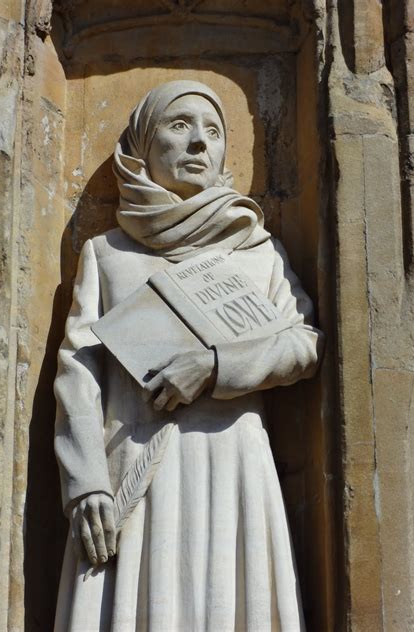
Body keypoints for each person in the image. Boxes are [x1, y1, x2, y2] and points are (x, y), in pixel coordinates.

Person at [53, 80, 323, 631]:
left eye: (214, 131)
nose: (200, 143)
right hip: (135, 466)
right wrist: (86, 483)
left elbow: (304, 343)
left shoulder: (255, 250)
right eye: (180, 126)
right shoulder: (108, 255)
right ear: (143, 147)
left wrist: (217, 366)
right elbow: (78, 371)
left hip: (233, 463)